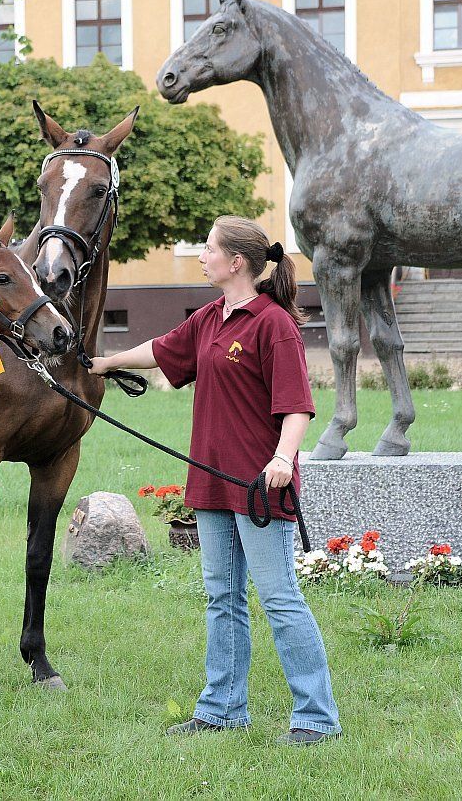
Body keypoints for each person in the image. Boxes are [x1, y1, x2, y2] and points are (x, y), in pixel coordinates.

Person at [90, 216, 340, 746]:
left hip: (259, 487)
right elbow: (162, 350)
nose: (201, 256)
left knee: (279, 598)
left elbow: (297, 406)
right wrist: (105, 362)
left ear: (237, 263)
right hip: (210, 481)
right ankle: (222, 708)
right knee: (222, 596)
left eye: (208, 249)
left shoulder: (274, 324)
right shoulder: (210, 318)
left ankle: (317, 717)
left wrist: (281, 459)